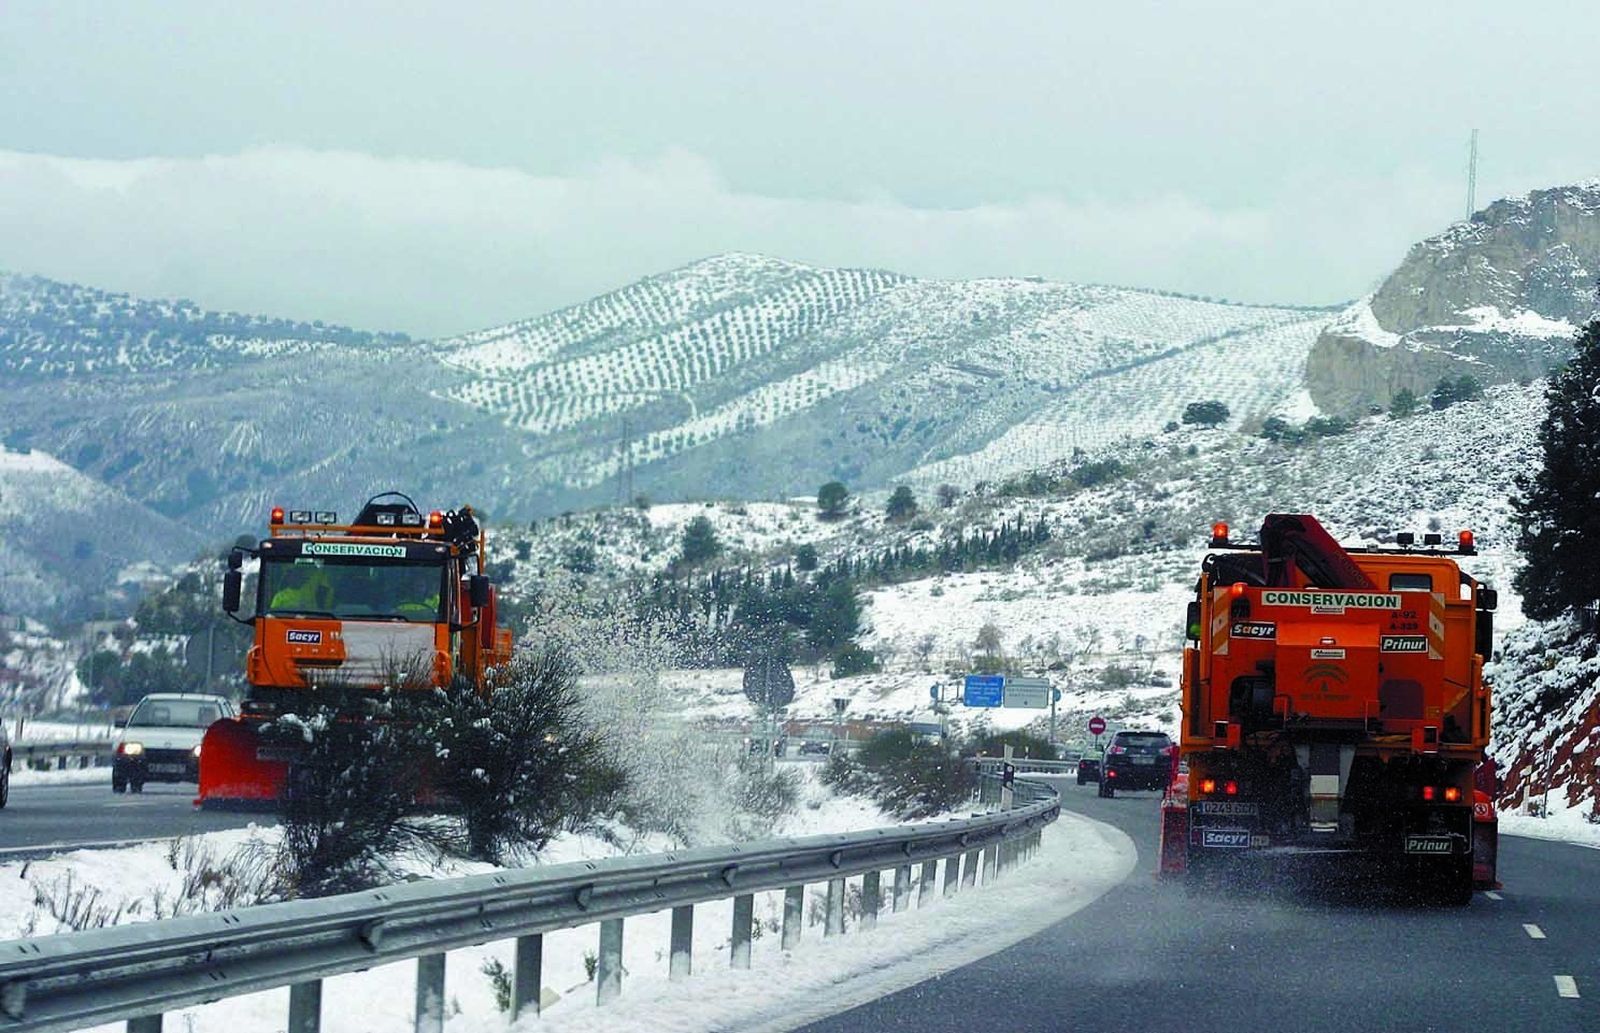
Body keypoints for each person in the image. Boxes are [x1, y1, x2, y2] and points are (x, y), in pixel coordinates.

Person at [270, 563, 335, 613]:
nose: (295, 578)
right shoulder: (280, 596)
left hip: (311, 621)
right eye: (293, 576)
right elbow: (272, 614)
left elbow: (321, 571)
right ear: (288, 578)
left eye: (297, 575)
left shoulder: (309, 588)